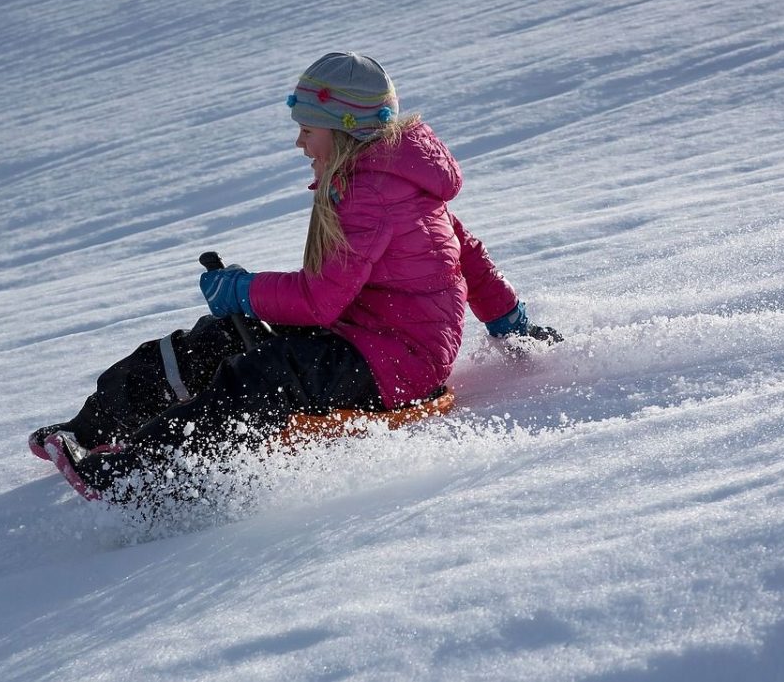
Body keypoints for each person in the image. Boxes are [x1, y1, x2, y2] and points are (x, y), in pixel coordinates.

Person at [30, 52, 559, 503]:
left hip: (397, 362)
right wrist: (509, 322)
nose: (301, 144)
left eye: (308, 131)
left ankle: (141, 476)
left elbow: (319, 302)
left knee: (264, 373)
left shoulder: (372, 194)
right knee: (218, 339)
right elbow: (469, 257)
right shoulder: (393, 180)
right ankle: (92, 430)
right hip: (364, 335)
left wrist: (241, 290)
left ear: (346, 132)